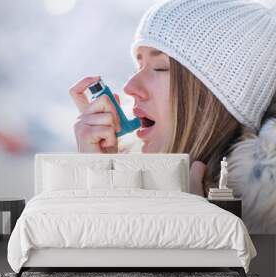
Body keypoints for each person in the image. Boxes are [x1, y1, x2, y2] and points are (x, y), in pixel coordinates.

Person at [69, 0, 276, 200]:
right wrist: (102, 182)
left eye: (160, 67)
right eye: (138, 67)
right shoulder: (133, 180)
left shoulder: (259, 223)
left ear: (212, 101)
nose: (129, 88)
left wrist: (200, 231)